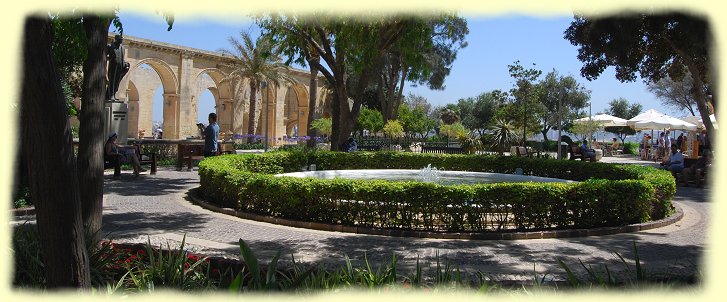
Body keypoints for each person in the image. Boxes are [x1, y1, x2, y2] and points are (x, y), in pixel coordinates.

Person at [106, 35, 130, 101]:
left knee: (117, 82)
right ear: (116, 39)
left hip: (120, 67)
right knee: (112, 81)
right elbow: (104, 56)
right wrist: (111, 59)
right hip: (113, 66)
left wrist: (125, 64)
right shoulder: (110, 46)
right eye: (120, 39)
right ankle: (111, 96)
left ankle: (113, 94)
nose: (121, 40)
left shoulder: (123, 47)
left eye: (122, 39)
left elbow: (122, 58)